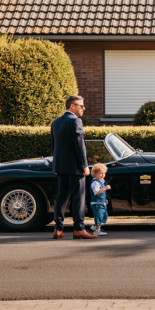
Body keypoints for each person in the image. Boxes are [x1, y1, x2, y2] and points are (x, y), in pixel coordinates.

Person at [50, 95, 96, 239]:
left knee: (62, 197)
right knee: (78, 197)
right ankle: (79, 229)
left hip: (60, 166)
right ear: (72, 106)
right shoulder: (76, 121)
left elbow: (53, 146)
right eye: (81, 106)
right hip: (75, 167)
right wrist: (85, 166)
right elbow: (80, 146)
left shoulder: (55, 122)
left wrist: (57, 164)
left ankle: (58, 228)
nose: (84, 108)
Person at [90, 164, 110, 236]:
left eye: (104, 173)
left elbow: (102, 193)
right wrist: (105, 188)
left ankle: (95, 227)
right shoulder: (95, 183)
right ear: (95, 173)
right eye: (101, 173)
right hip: (97, 203)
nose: (103, 175)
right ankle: (97, 230)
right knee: (98, 216)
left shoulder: (101, 182)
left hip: (102, 203)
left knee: (103, 216)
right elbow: (96, 192)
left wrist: (105, 200)